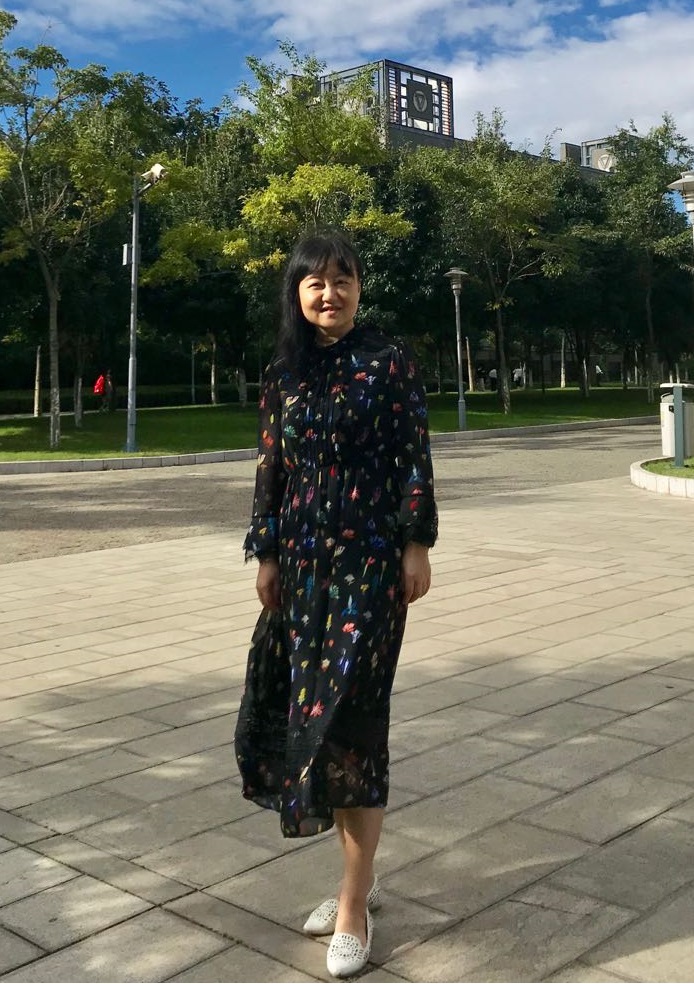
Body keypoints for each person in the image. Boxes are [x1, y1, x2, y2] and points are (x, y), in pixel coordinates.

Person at [237, 232, 437, 978]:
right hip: (302, 571)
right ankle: (360, 876)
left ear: (360, 287)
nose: (330, 293)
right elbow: (271, 466)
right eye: (315, 282)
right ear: (296, 292)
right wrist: (267, 554)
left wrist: (416, 544)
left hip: (370, 568)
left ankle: (353, 907)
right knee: (312, 729)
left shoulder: (389, 360)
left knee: (353, 727)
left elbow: (413, 455)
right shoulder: (284, 372)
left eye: (343, 279)